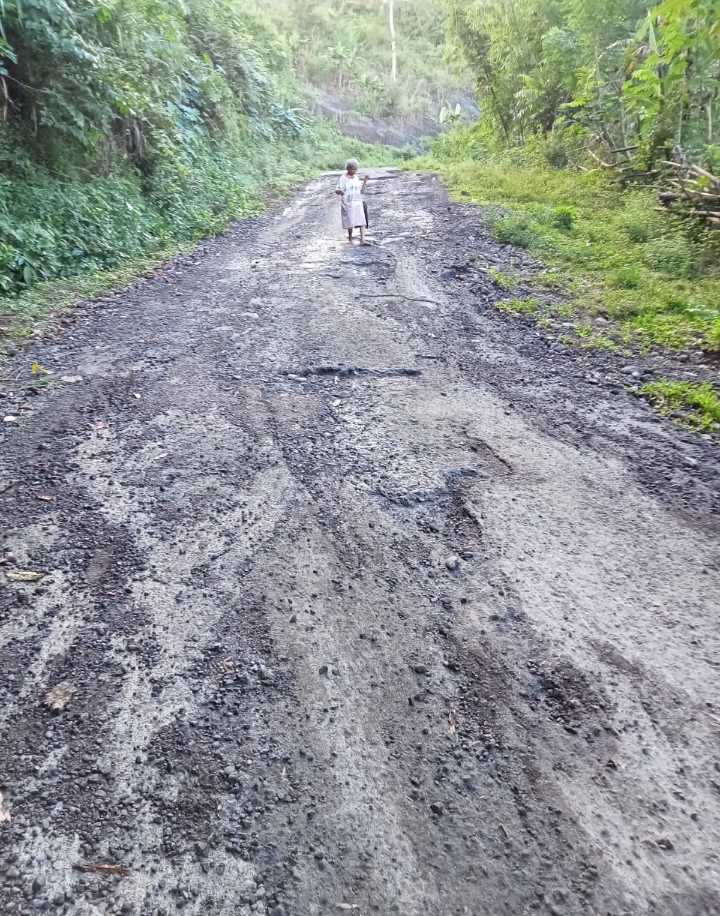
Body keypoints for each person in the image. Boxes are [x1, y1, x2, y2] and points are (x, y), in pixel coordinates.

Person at [335, 159, 370, 245]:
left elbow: (361, 191)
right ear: (348, 168)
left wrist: (365, 181)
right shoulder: (343, 178)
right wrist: (340, 191)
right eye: (353, 169)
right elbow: (337, 190)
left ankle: (362, 240)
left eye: (356, 169)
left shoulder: (356, 178)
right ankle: (350, 239)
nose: (355, 171)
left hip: (357, 202)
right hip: (348, 203)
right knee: (350, 220)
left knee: (362, 220)